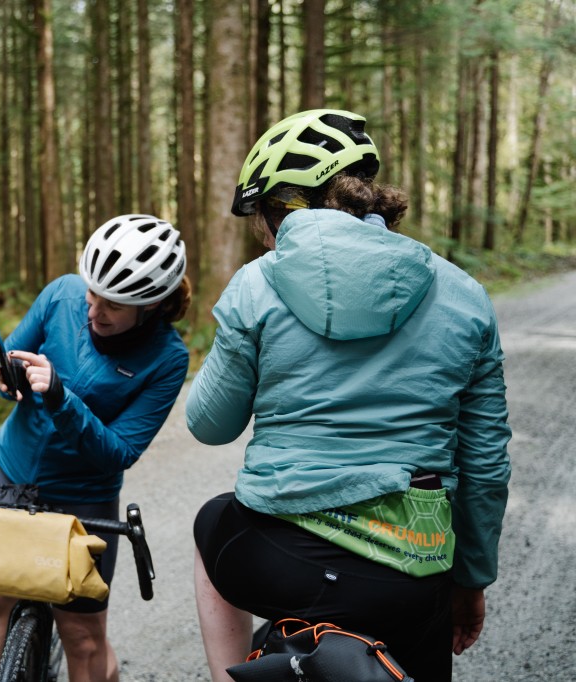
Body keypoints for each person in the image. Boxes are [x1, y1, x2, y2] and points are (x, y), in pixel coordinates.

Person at [186, 109, 511, 682]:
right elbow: (484, 466)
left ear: (286, 204)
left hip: (282, 560)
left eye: (263, 215)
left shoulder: (256, 285)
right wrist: (471, 580)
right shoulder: (465, 294)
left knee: (212, 525)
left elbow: (210, 424)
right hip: (418, 568)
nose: (262, 234)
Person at [0, 214, 191, 682]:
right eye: (92, 293)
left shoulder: (168, 358)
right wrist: (4, 373)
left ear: (150, 305)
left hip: (84, 494)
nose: (93, 310)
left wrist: (59, 397)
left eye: (112, 304)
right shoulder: (62, 294)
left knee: (83, 636)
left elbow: (119, 450)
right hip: (13, 468)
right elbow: (10, 360)